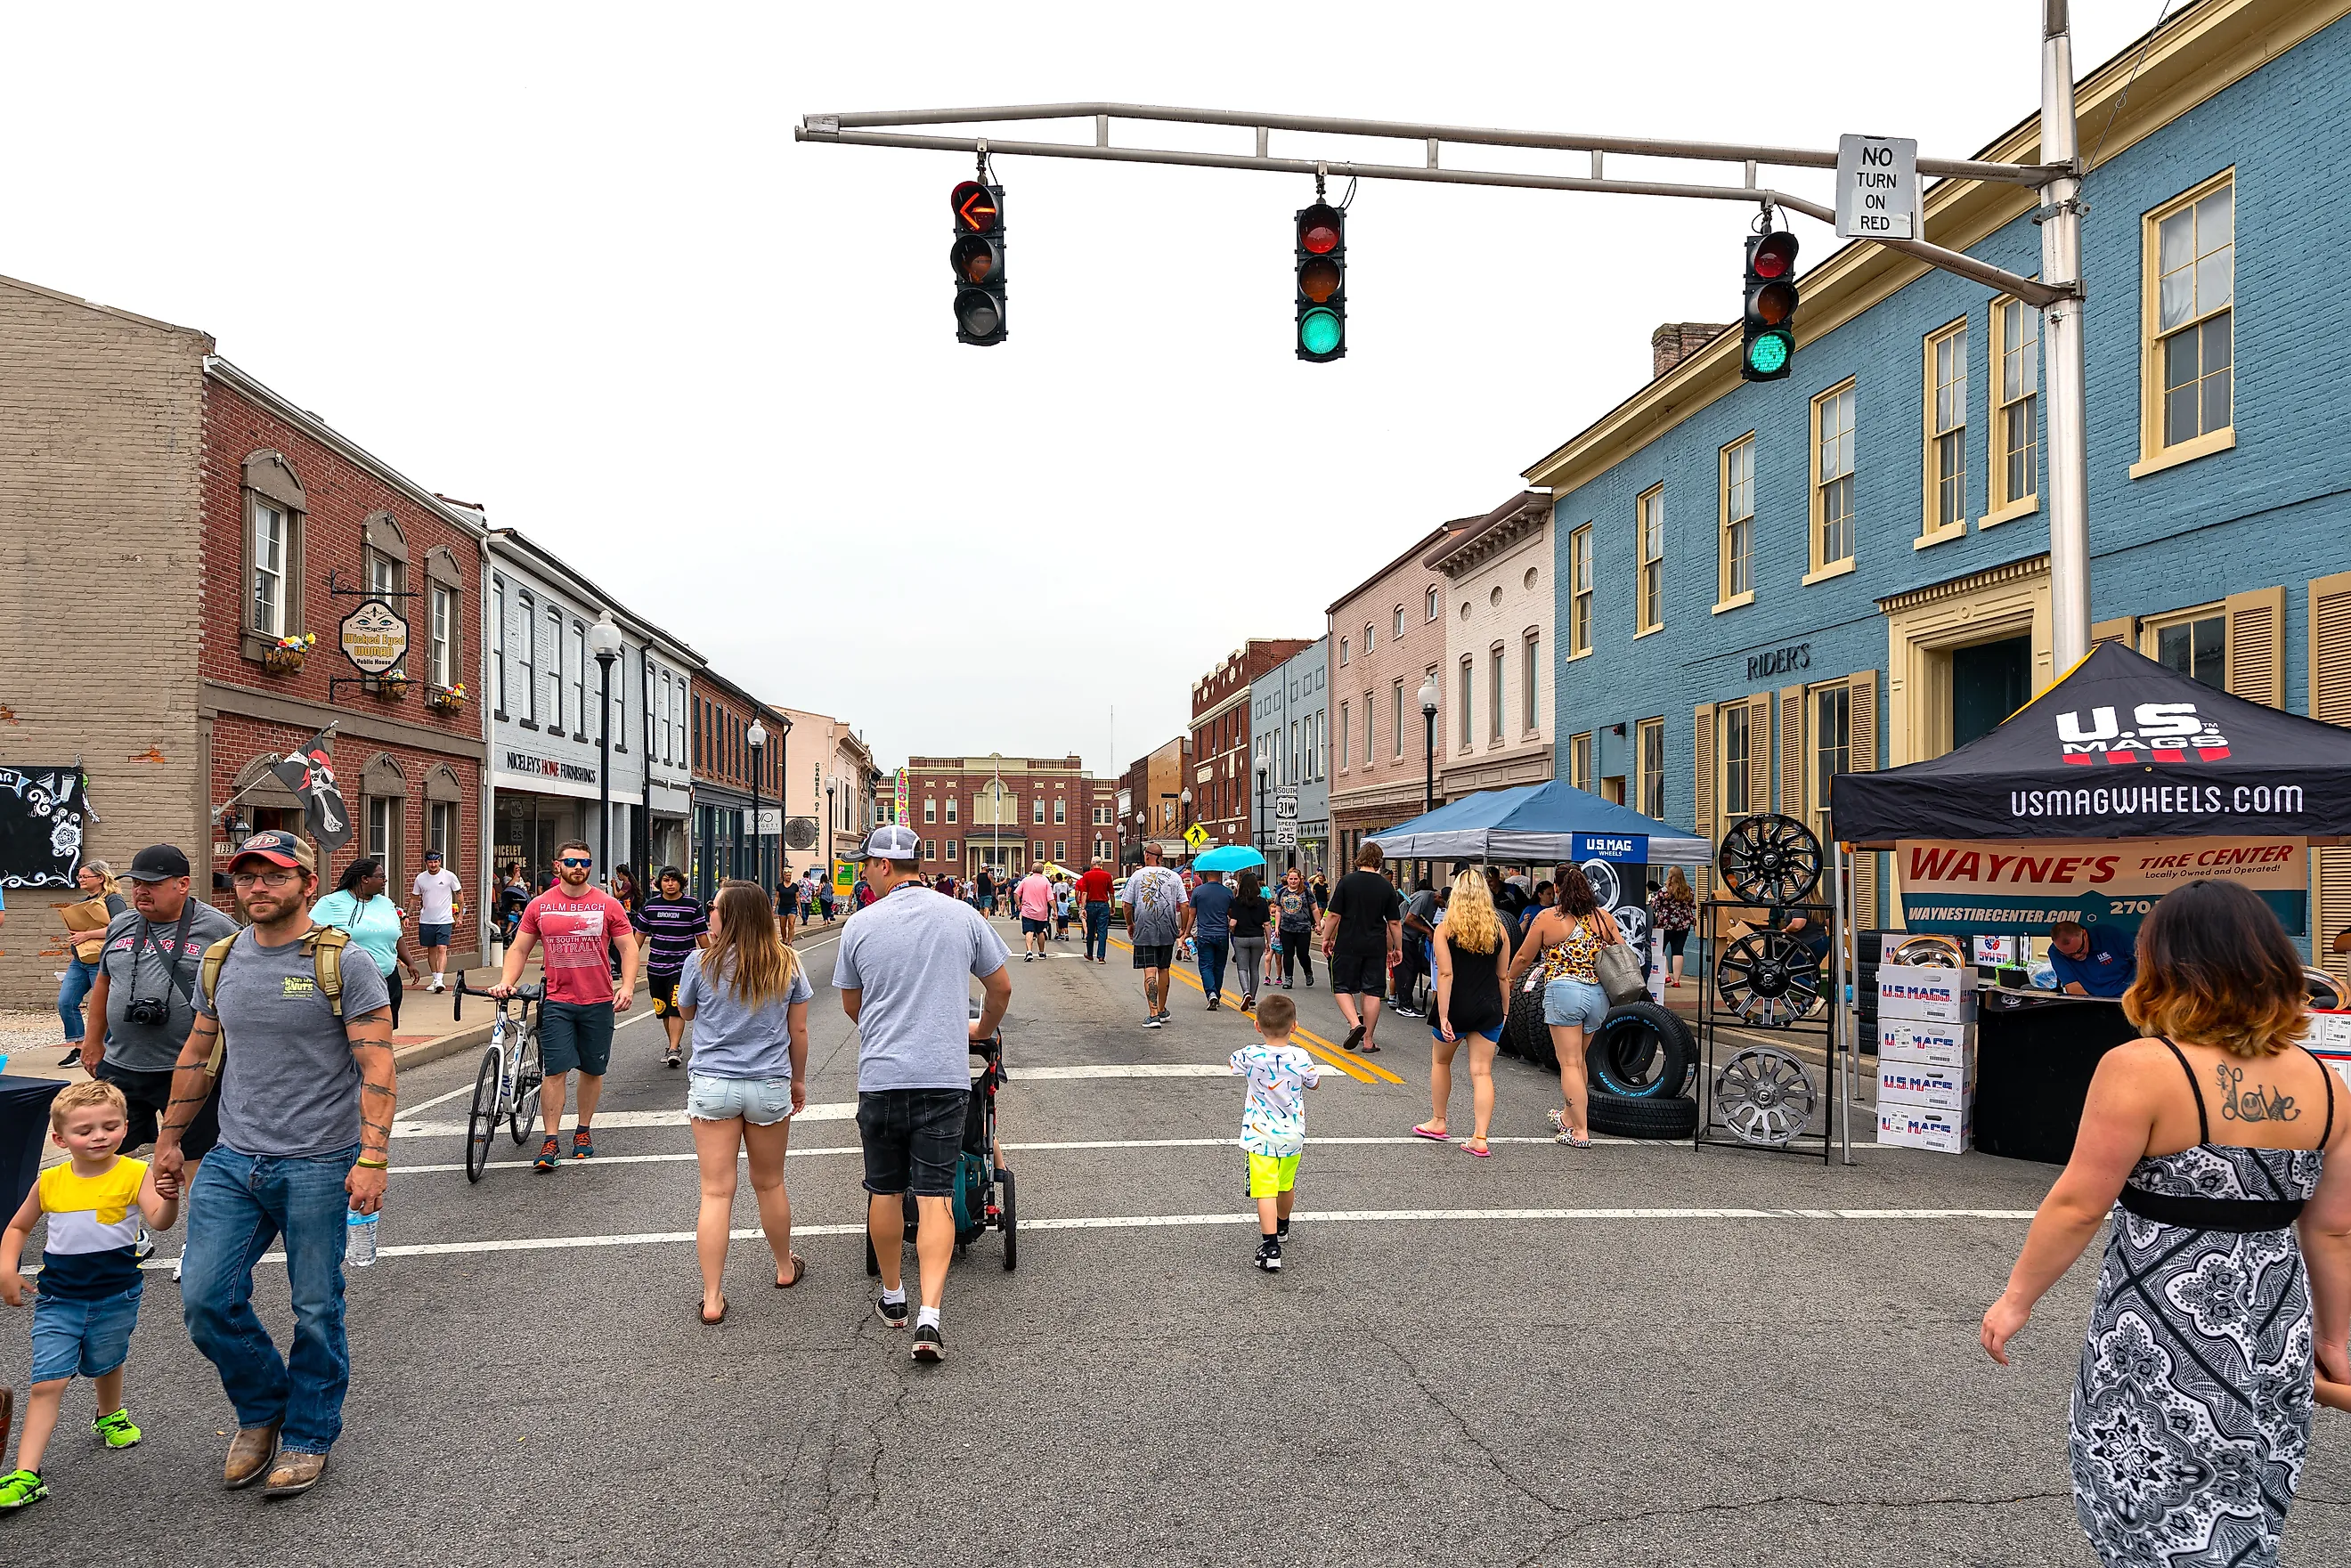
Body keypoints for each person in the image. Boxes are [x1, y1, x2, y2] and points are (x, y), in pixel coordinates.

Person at [1981, 880, 2351, 1568]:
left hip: (2161, 1327)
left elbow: (2078, 1203)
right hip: (2273, 1323)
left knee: (2146, 1506)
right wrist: (2334, 1339)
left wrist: (2016, 1298)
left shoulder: (2140, 1069)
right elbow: (2331, 1230)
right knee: (2246, 1504)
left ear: (2166, 965)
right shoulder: (2328, 1086)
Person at [155, 829, 395, 1498]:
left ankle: (309, 1434)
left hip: (321, 1161)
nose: (258, 887)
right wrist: (170, 1138)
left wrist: (373, 1155)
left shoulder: (343, 963)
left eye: (274, 875)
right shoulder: (222, 958)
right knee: (205, 1298)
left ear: (308, 885)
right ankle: (263, 1409)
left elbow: (377, 1062)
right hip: (234, 1159)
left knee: (316, 1307)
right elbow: (199, 1054)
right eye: (246, 875)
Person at [833, 825, 1012, 1365]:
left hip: (882, 1077)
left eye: (867, 864)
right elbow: (1000, 986)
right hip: (942, 1077)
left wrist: (887, 1027)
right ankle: (930, 1317)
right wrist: (979, 1029)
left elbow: (850, 1005)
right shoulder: (962, 916)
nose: (863, 872)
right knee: (935, 1197)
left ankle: (893, 1296)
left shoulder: (860, 926)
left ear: (886, 867)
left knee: (884, 1193)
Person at [0, 1080, 181, 1512]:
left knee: (107, 1360)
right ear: (60, 1139)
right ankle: (28, 1474)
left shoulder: (136, 1173)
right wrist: (6, 1266)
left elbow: (160, 1222)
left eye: (110, 1126)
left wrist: (171, 1196)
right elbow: (18, 1227)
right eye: (85, 1130)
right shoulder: (50, 1181)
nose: (99, 1136)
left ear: (124, 1127)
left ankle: (109, 1414)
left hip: (117, 1296)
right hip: (57, 1299)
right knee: (48, 1381)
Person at [678, 882, 813, 1325]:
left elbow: (687, 1013)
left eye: (714, 909)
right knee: (770, 1183)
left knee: (716, 1192)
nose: (708, 915)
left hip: (714, 1086)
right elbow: (799, 1033)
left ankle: (713, 1296)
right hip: (769, 1083)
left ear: (730, 916)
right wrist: (798, 1082)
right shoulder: (786, 962)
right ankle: (784, 1266)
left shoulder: (699, 962)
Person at [84, 844, 238, 1170]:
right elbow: (104, 983)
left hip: (190, 1070)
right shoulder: (121, 924)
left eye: (151, 884)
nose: (141, 891)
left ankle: (199, 1222)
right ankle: (117, 1222)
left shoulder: (219, 929)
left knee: (197, 1160)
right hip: (122, 1064)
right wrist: (93, 1041)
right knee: (105, 1160)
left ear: (182, 885)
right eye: (136, 884)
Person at [492, 841, 639, 1172]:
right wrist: (506, 980)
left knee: (592, 1069)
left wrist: (626, 987)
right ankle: (551, 1139)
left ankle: (583, 1131)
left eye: (585, 862)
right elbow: (519, 949)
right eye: (571, 861)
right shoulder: (540, 906)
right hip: (558, 1000)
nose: (579, 867)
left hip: (599, 1000)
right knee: (554, 1070)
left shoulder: (608, 905)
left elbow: (628, 949)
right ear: (557, 865)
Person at [1505, 863, 1623, 1150]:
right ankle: (1570, 1117)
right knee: (1579, 1061)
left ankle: (1580, 1131)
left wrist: (1508, 980)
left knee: (1568, 1063)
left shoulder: (1548, 918)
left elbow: (1523, 957)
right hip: (1598, 995)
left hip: (1564, 990)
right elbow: (1621, 951)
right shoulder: (1602, 917)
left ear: (1557, 889)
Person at [1418, 869, 1515, 1157]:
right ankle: (1480, 1137)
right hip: (1489, 1006)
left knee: (1441, 1062)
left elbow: (1445, 974)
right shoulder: (1499, 931)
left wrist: (1444, 1015)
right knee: (1482, 1071)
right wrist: (1505, 1010)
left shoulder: (1445, 930)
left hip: (1456, 1004)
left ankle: (1439, 1121)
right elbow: (1502, 977)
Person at [1230, 993, 1319, 1274]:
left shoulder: (1250, 1055)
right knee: (1285, 1184)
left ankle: (1270, 1247)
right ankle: (1282, 1226)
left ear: (1258, 1026)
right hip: (1293, 1134)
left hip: (1260, 1135)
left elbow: (1232, 1065)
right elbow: (1314, 1084)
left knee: (1264, 1189)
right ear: (1295, 1026)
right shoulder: (1302, 1056)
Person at [309, 856, 427, 1032]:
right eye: (380, 876)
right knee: (357, 1032)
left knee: (385, 1031)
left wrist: (410, 963)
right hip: (351, 981)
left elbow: (397, 936)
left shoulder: (386, 903)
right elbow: (309, 935)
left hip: (389, 979)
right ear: (365, 879)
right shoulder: (331, 903)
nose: (385, 880)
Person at [1319, 842, 1403, 1053]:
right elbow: (1393, 922)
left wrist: (1327, 938)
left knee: (1341, 986)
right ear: (1379, 861)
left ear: (1359, 858)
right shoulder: (1386, 886)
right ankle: (1368, 1041)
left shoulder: (1346, 882)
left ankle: (1355, 1024)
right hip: (1375, 945)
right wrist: (1396, 948)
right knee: (1372, 991)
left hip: (1348, 942)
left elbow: (1334, 915)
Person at [54, 861, 127, 1068]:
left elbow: (119, 927)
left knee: (104, 1006)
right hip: (80, 961)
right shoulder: (86, 901)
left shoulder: (113, 900)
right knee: (66, 1002)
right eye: (79, 877)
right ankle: (80, 1047)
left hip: (102, 961)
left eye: (85, 876)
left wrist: (86, 934)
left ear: (101, 878)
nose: (81, 880)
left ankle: (108, 1049)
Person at [638, 866, 710, 1068]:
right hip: (656, 966)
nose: (670, 884)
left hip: (682, 966)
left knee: (676, 1007)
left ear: (681, 883)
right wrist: (630, 963)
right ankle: (673, 1044)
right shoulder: (650, 906)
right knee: (662, 1009)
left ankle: (673, 1048)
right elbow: (638, 937)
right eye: (666, 880)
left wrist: (713, 959)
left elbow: (702, 936)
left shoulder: (692, 906)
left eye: (674, 880)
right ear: (659, 883)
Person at [1122, 844, 1186, 1029]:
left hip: (1144, 927)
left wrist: (1130, 923)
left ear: (1149, 855)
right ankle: (1162, 1009)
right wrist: (1181, 927)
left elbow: (1127, 904)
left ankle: (1153, 1014)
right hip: (1167, 927)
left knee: (1149, 970)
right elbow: (1183, 905)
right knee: (1164, 968)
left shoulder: (1137, 876)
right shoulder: (1174, 877)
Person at [410, 848, 463, 994]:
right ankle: (435, 978)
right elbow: (415, 898)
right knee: (431, 950)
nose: (433, 865)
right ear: (426, 862)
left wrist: (459, 916)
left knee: (442, 948)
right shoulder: (421, 878)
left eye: (436, 862)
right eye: (431, 862)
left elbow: (459, 895)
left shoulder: (449, 876)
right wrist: (407, 915)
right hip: (426, 919)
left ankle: (440, 979)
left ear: (440, 861)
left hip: (445, 919)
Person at [2048, 918, 2137, 998]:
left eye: (2080, 950)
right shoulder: (2055, 953)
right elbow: (2073, 987)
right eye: (2069, 955)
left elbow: (2146, 963)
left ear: (2085, 934)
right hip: (2094, 999)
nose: (2077, 956)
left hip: (2130, 994)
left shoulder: (2111, 935)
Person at [1186, 864, 1234, 1009]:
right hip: (1221, 934)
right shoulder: (1227, 892)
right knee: (1219, 966)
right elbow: (1231, 914)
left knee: (1205, 966)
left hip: (1204, 934)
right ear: (1219, 874)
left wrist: (1187, 932)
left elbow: (1192, 914)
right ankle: (1216, 994)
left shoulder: (1198, 892)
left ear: (1207, 875)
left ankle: (1211, 993)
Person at [1392, 877, 1439, 1019]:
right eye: (1442, 903)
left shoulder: (1434, 902)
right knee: (1407, 969)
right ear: (1438, 896)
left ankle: (1405, 1001)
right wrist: (1427, 931)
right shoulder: (1424, 898)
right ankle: (1405, 1005)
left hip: (1413, 938)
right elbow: (1409, 919)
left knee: (1413, 968)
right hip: (1403, 936)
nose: (1442, 907)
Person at [1228, 868, 1271, 1011]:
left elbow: (1233, 923)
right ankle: (1252, 998)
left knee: (1242, 968)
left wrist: (1232, 931)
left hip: (1241, 937)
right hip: (1257, 937)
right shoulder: (1263, 902)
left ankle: (1245, 991)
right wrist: (1269, 942)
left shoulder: (1237, 902)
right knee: (1254, 968)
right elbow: (1267, 924)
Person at [1651, 867, 1696, 988]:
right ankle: (1677, 980)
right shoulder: (1688, 890)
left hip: (1666, 924)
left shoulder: (1664, 891)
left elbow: (1655, 905)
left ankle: (1666, 975)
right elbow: (1692, 905)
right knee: (1678, 950)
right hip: (1683, 924)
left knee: (1661, 949)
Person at [1275, 867, 1317, 989]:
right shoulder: (1282, 892)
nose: (1293, 881)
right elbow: (1278, 910)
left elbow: (1314, 908)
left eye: (1295, 879)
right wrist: (1277, 927)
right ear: (1287, 879)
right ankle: (1288, 978)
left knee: (1302, 954)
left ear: (1300, 880)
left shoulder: (1306, 892)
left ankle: (1308, 972)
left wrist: (1318, 924)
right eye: (1291, 879)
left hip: (1303, 928)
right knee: (1288, 954)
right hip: (1286, 928)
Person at [1013, 863, 1054, 963]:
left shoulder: (1026, 880)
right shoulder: (1046, 881)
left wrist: (1019, 905)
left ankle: (1029, 952)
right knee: (1040, 932)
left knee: (1029, 931)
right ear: (1042, 871)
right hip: (1041, 912)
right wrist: (1055, 910)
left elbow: (1016, 893)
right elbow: (1050, 898)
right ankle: (1041, 952)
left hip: (1028, 911)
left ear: (1032, 870)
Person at [1079, 858, 1116, 964]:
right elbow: (1111, 893)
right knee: (1102, 930)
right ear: (1101, 864)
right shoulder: (1107, 876)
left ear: (1092, 864)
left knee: (1091, 930)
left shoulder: (1087, 876)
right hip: (1103, 904)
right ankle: (1101, 956)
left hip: (1090, 905)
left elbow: (1084, 893)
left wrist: (1083, 908)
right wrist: (1112, 906)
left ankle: (1090, 954)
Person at [496, 861, 531, 949]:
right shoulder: (507, 878)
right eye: (516, 869)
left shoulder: (521, 879)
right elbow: (508, 887)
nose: (518, 870)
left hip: (521, 900)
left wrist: (527, 886)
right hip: (512, 901)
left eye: (519, 868)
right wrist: (515, 878)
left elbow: (523, 889)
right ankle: (506, 934)